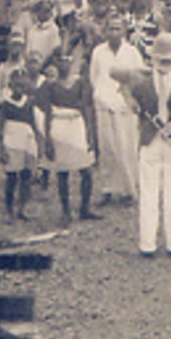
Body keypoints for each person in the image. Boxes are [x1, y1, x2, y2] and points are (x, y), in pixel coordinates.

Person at [121, 32, 171, 257]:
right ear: (153, 59)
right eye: (161, 60)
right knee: (148, 193)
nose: (164, 65)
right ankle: (147, 245)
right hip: (150, 142)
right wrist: (131, 103)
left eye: (168, 61)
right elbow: (124, 90)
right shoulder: (142, 86)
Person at [40, 51, 101, 225]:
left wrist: (90, 133)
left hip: (77, 124)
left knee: (86, 169)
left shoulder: (80, 81)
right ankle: (65, 210)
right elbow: (47, 113)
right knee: (62, 171)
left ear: (72, 62)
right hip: (59, 126)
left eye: (67, 61)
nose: (64, 65)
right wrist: (48, 139)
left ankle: (84, 208)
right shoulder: (50, 85)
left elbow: (87, 108)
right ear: (55, 64)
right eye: (60, 61)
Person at [89, 14, 145, 205]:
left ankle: (129, 190)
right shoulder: (98, 52)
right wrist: (101, 96)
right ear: (105, 31)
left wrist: (131, 98)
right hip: (104, 105)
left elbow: (139, 77)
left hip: (125, 105)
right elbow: (94, 77)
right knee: (107, 148)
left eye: (117, 29)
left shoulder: (131, 52)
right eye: (110, 29)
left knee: (127, 146)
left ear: (123, 31)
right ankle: (108, 189)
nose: (114, 33)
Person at [0, 68, 40, 221]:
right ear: (10, 86)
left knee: (26, 175)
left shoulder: (29, 102)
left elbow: (33, 122)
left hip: (26, 139)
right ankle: (9, 209)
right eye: (16, 86)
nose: (19, 89)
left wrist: (38, 140)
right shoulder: (5, 104)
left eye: (22, 86)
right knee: (11, 177)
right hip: (12, 140)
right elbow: (0, 127)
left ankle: (22, 208)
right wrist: (1, 147)